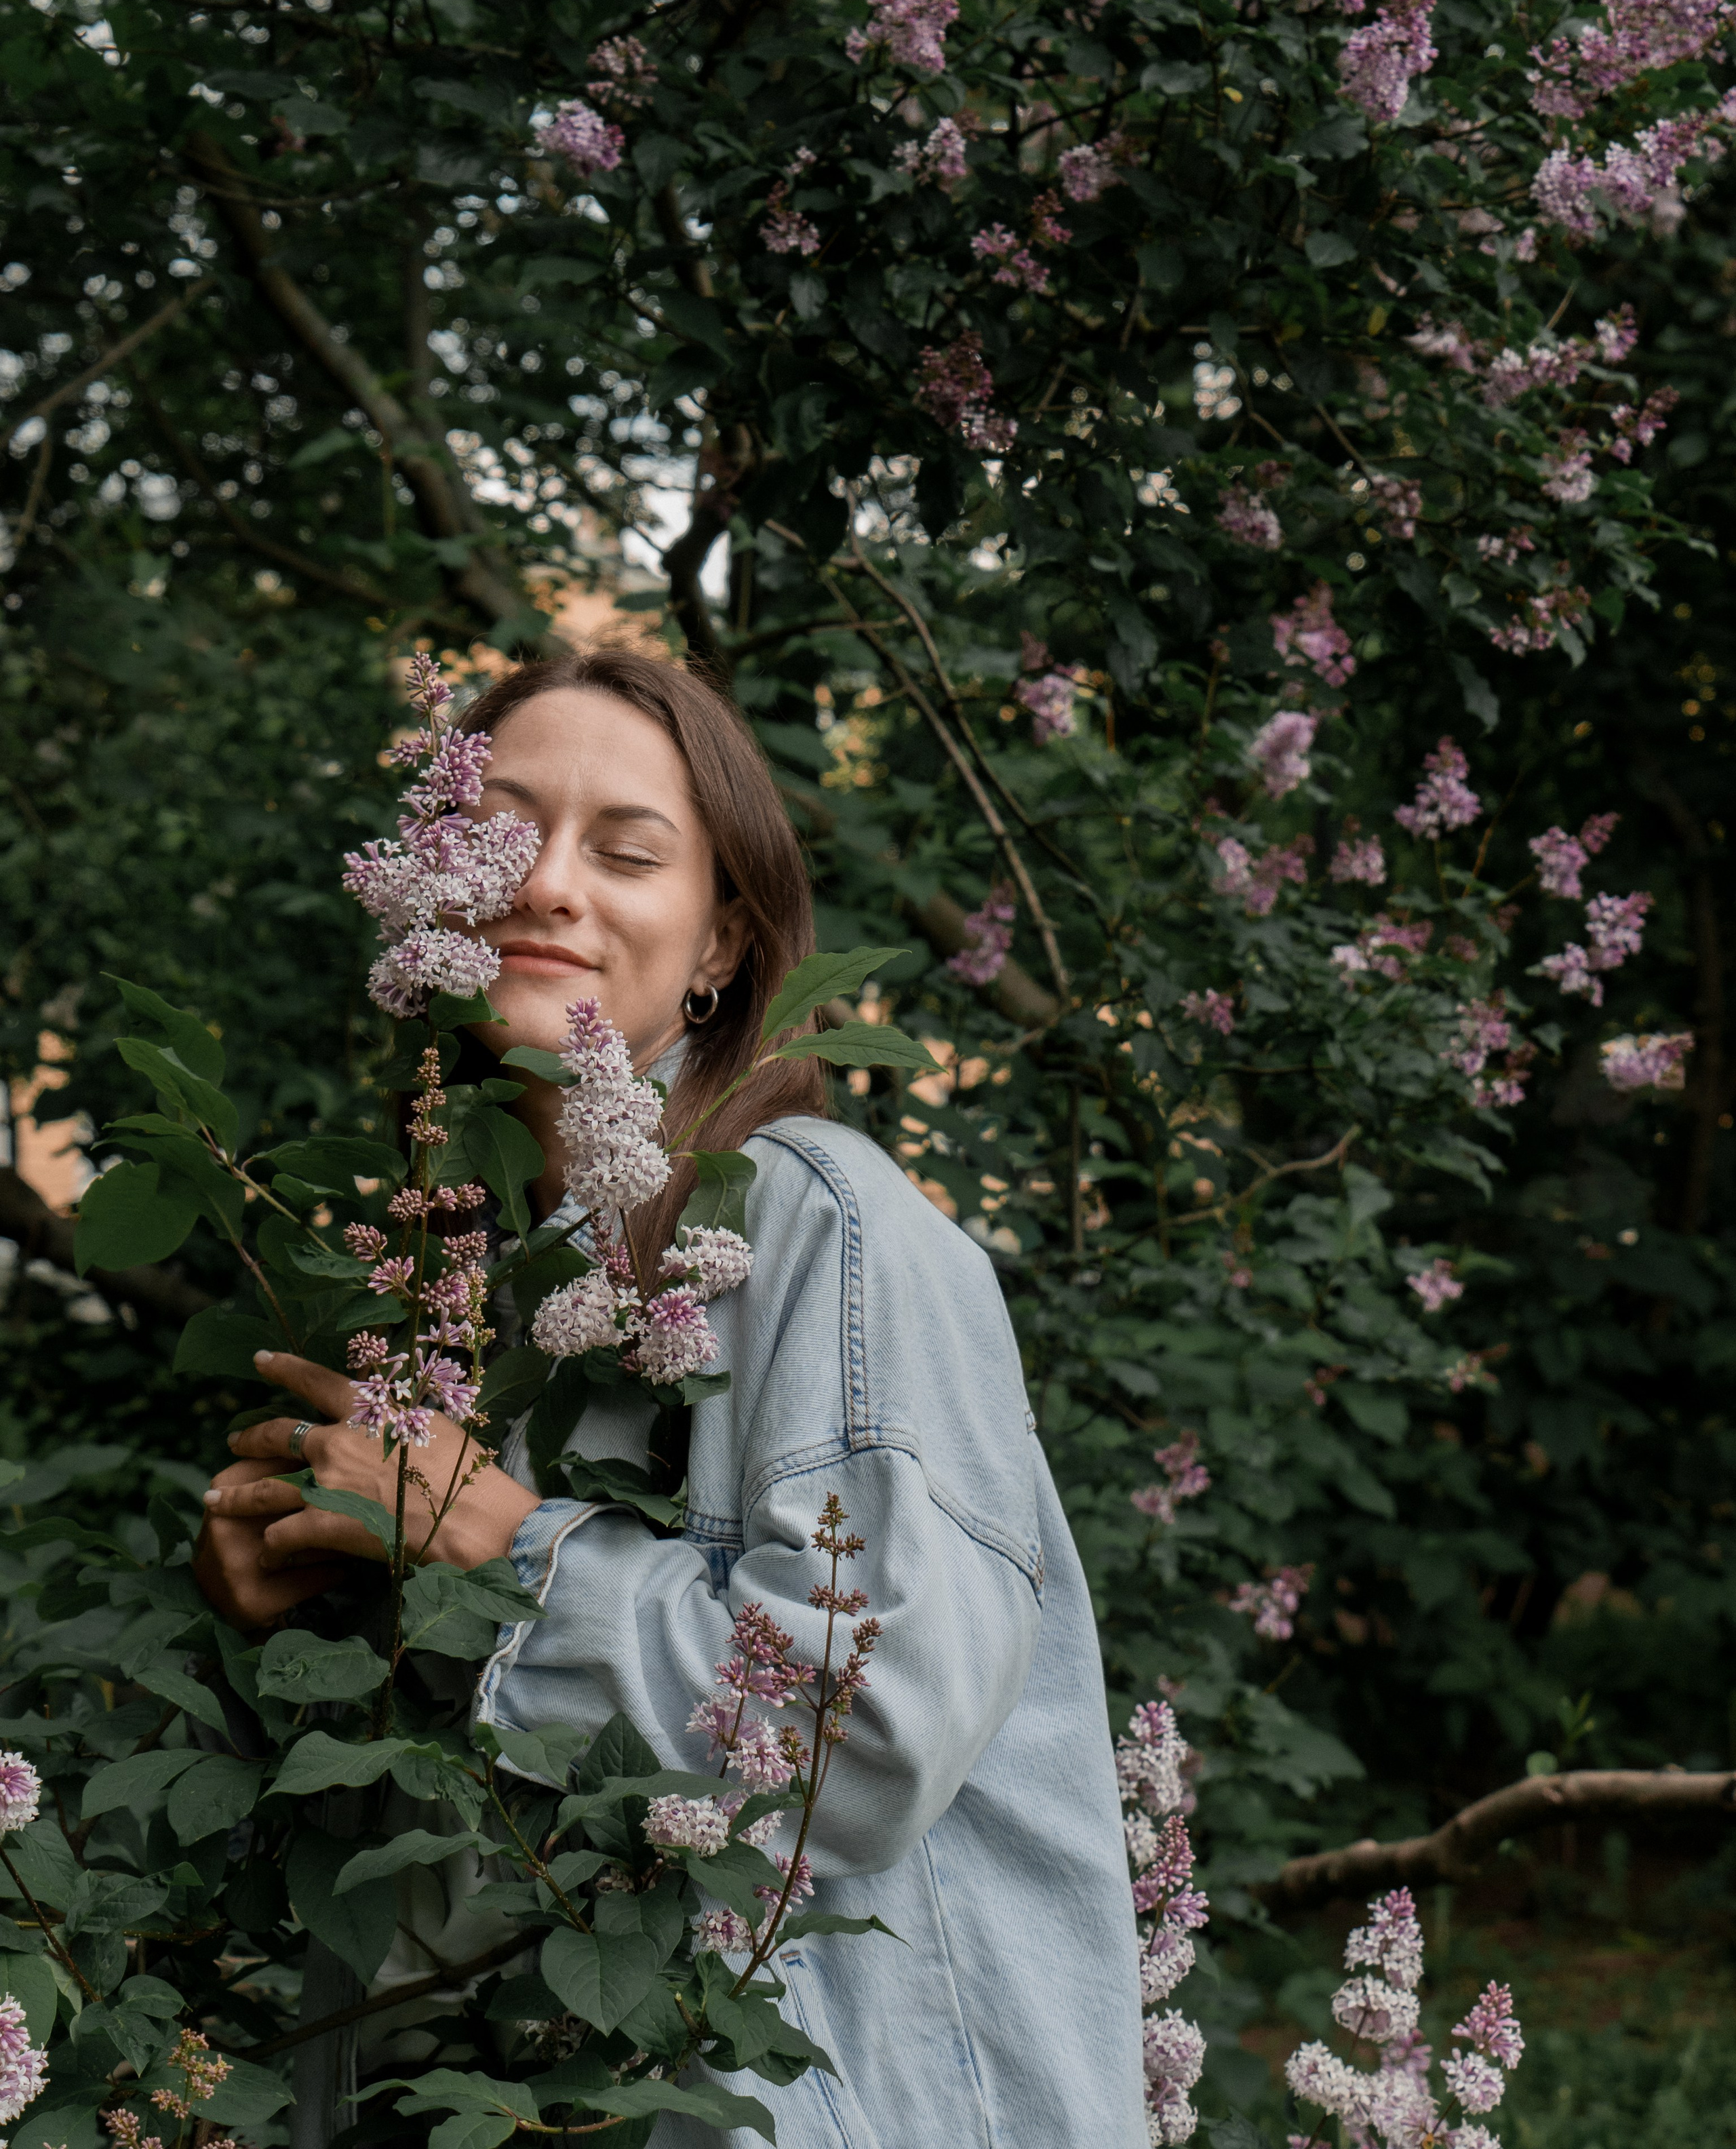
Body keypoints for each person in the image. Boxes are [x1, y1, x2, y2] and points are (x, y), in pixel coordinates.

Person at [195, 648, 1145, 2148]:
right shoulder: (466, 1283)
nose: (547, 885)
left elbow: (861, 1738)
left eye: (626, 851)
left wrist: (498, 1545)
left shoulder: (813, 1224)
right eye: (499, 831)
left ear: (721, 941)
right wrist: (309, 1613)